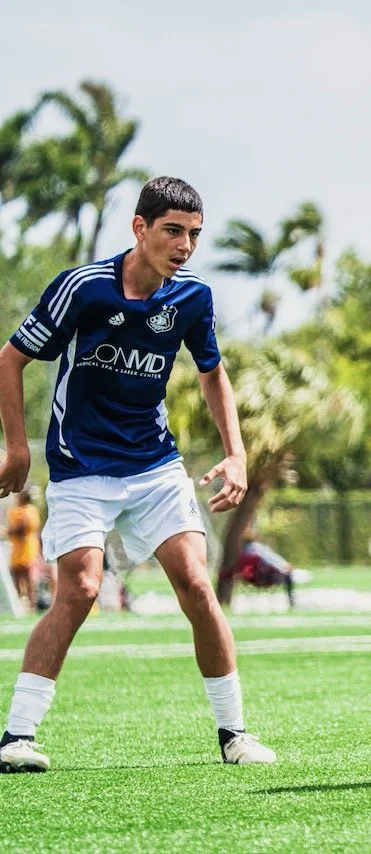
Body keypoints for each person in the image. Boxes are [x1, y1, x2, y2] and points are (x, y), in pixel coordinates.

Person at [0, 177, 275, 772]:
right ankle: (16, 737)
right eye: (173, 231)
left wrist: (237, 453)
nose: (184, 246)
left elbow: (211, 373)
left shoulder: (193, 298)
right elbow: (11, 357)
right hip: (80, 466)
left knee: (197, 586)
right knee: (81, 589)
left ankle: (235, 735)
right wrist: (19, 448)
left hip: (154, 466)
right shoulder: (84, 288)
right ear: (140, 228)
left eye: (194, 235)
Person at [220, 530, 299, 608]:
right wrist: (284, 566)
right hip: (266, 578)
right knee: (288, 575)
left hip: (253, 579)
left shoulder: (242, 553)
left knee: (286, 573)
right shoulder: (257, 549)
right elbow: (271, 559)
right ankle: (291, 600)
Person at [6, 489, 41, 612]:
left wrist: (14, 530)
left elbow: (24, 527)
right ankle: (19, 605)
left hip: (29, 550)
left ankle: (32, 605)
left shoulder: (31, 511)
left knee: (29, 579)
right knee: (17, 577)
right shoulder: (13, 511)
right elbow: (12, 529)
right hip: (16, 551)